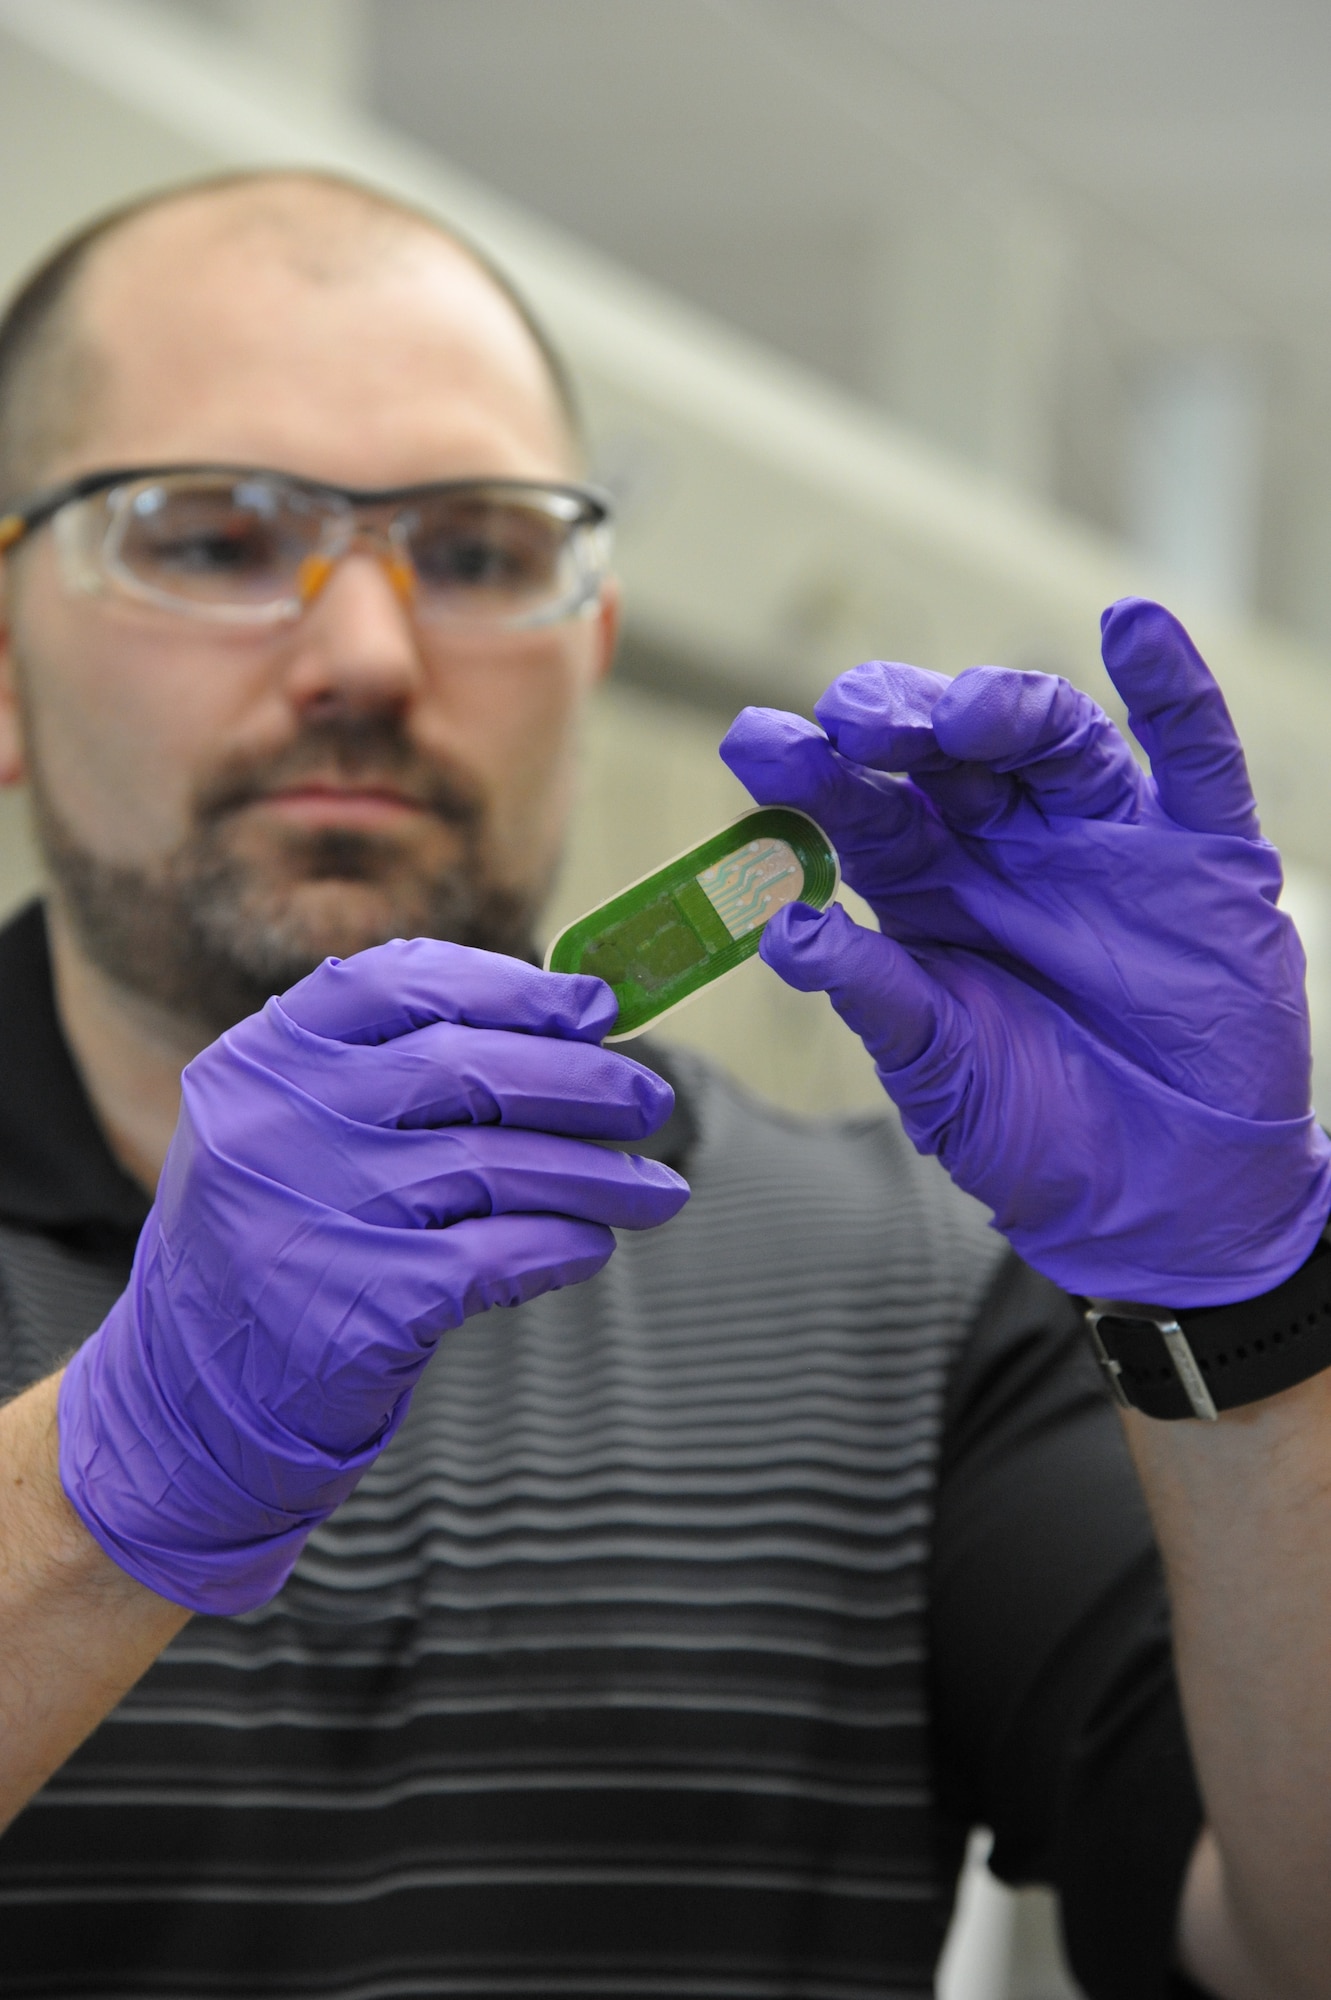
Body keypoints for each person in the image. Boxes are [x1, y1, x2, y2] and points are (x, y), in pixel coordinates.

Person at [0, 167, 1327, 2000]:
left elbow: (1287, 1946)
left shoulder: (916, 1282)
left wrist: (1243, 1322)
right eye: (212, 539)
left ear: (589, 642)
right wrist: (99, 1481)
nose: (372, 656)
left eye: (477, 554)